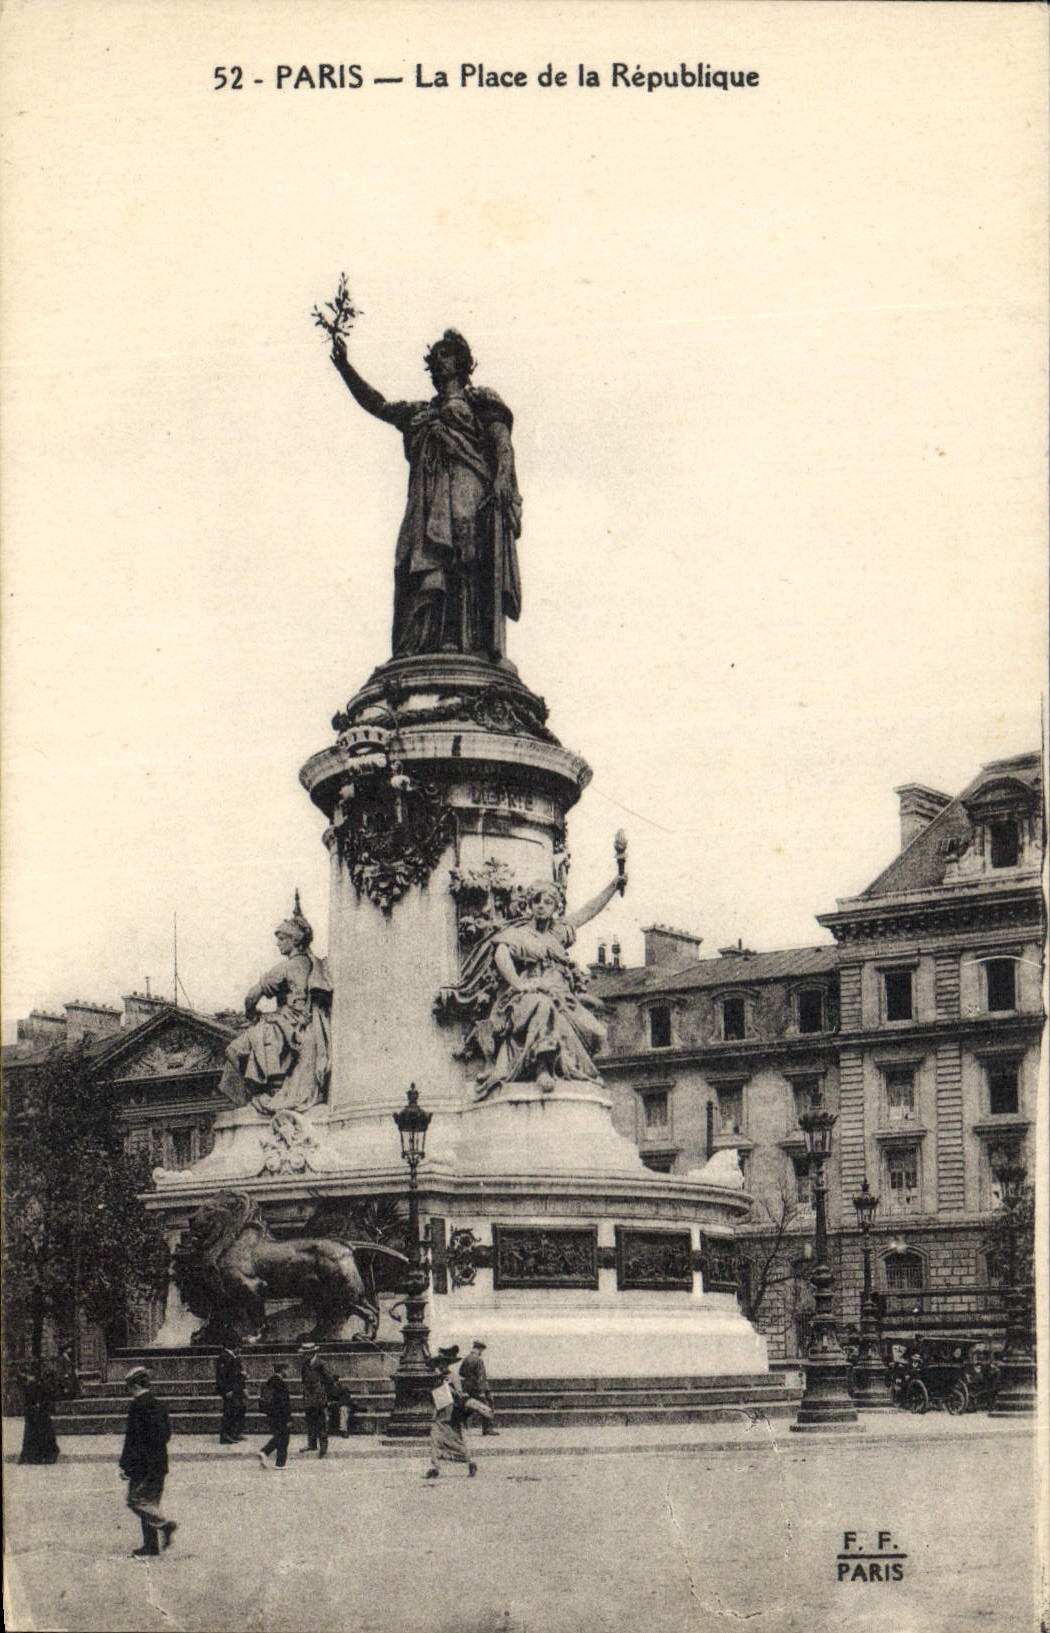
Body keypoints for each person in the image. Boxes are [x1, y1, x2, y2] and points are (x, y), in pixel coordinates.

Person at [331, 329, 522, 660]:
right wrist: (345, 367)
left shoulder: (481, 400)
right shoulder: (421, 411)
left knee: (466, 552)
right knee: (421, 558)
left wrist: (503, 480)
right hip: (429, 496)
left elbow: (502, 444)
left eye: (443, 355)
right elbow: (379, 405)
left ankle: (466, 640)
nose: (437, 363)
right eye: (433, 358)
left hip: (467, 479)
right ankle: (429, 639)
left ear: (460, 361)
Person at [445, 871, 626, 1100]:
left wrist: (613, 885)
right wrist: (519, 984)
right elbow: (502, 954)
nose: (541, 906)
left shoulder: (558, 932)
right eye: (536, 901)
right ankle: (542, 1066)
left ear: (555, 907)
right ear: (530, 904)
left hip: (563, 996)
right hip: (527, 996)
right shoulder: (520, 934)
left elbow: (587, 912)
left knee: (598, 1033)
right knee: (543, 1005)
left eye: (547, 902)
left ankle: (577, 1071)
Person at [220, 896, 333, 1114]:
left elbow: (251, 996)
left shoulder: (286, 968)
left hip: (286, 1023)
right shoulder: (312, 963)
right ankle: (268, 1088)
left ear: (295, 941)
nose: (278, 943)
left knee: (234, 1050)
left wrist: (251, 1014)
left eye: (282, 938)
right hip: (304, 1024)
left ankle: (252, 1100)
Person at [119, 1365, 175, 1558]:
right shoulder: (160, 1405)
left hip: (142, 1466)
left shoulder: (136, 1406)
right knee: (151, 1503)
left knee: (136, 1500)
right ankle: (151, 1546)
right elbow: (166, 1435)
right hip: (160, 1463)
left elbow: (132, 1439)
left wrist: (125, 1466)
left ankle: (165, 1526)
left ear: (134, 1386)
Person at [423, 1347, 477, 1480]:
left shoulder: (453, 1377)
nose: (439, 1366)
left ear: (447, 1364)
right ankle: (435, 1466)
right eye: (438, 1363)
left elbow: (460, 1394)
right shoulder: (438, 1377)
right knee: (434, 1437)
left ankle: (469, 1461)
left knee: (455, 1440)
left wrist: (449, 1387)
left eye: (442, 1363)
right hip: (440, 1412)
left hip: (451, 1413)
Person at [299, 1343, 338, 1457]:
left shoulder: (321, 1364)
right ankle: (312, 1444)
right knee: (310, 1422)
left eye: (306, 1354)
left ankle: (323, 1447)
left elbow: (329, 1380)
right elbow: (304, 1380)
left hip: (319, 1397)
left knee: (321, 1423)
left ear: (311, 1353)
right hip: (308, 1397)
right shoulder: (305, 1365)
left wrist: (325, 1394)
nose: (304, 1356)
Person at [18, 1363, 59, 1465]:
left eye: (24, 1375)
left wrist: (37, 1406)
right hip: (36, 1413)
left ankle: (38, 1455)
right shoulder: (33, 1384)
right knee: (37, 1434)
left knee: (37, 1434)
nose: (24, 1377)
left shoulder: (34, 1384)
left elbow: (41, 1398)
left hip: (38, 1413)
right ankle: (38, 1455)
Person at [458, 1341, 498, 1436]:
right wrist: (482, 1391)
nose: (481, 1352)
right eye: (481, 1350)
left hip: (468, 1387)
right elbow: (481, 1377)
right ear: (479, 1349)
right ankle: (487, 1429)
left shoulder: (466, 1359)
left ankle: (459, 1425)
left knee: (471, 1407)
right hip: (477, 1388)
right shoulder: (478, 1360)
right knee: (487, 1406)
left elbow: (461, 1373)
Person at [258, 1362, 292, 1469]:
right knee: (283, 1437)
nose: (288, 1372)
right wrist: (288, 1418)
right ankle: (271, 1456)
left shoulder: (270, 1381)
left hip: (271, 1414)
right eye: (287, 1370)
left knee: (280, 1436)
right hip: (280, 1415)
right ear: (282, 1370)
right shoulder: (280, 1383)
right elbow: (284, 1403)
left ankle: (271, 1456)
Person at [215, 1345, 247, 1444]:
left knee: (237, 1409)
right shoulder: (224, 1357)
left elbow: (235, 1374)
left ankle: (233, 1433)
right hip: (229, 1390)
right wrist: (226, 1390)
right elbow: (223, 1376)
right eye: (239, 1346)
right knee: (229, 1411)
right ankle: (225, 1435)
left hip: (236, 1389)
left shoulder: (233, 1357)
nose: (240, 1349)